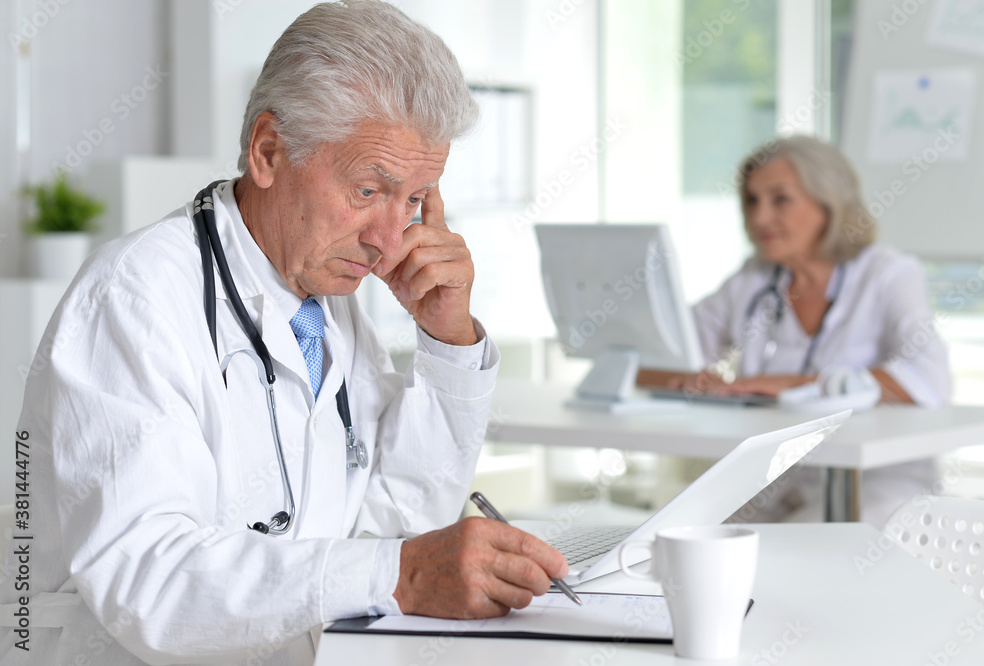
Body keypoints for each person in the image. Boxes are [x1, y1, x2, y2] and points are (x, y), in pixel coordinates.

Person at [0, 2, 566, 664]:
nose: (391, 242)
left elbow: (395, 526)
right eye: (367, 191)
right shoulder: (134, 300)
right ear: (268, 151)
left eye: (413, 200)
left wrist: (448, 344)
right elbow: (150, 581)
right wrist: (402, 573)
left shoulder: (326, 298)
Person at [638, 135, 951, 525]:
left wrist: (793, 384)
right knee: (683, 538)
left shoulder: (888, 274)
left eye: (779, 199)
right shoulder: (754, 279)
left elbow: (930, 378)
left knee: (797, 554)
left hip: (874, 483)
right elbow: (660, 351)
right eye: (751, 200)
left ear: (829, 203)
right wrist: (700, 378)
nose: (760, 217)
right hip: (776, 480)